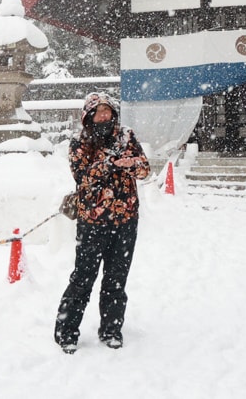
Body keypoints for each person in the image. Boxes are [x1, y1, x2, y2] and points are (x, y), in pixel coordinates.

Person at [54, 91, 151, 354]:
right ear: (89, 115)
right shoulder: (79, 141)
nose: (104, 115)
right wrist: (111, 162)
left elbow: (145, 169)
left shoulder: (126, 136)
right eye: (99, 111)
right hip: (93, 222)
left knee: (116, 279)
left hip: (126, 220)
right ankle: (67, 332)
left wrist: (131, 163)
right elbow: (83, 178)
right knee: (83, 278)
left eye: (108, 111)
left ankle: (111, 329)